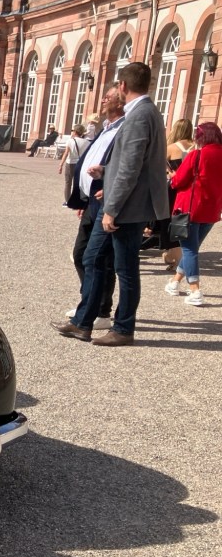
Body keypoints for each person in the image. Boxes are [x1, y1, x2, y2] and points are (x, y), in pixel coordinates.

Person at [51, 62, 169, 346]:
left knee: (123, 267)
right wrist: (105, 171)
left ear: (123, 86)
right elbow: (132, 163)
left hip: (126, 207)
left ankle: (122, 328)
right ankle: (84, 322)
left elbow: (130, 168)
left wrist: (112, 209)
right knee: (95, 258)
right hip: (126, 203)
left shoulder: (139, 115)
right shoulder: (146, 111)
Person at [63, 86, 126, 330]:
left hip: (107, 201)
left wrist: (109, 189)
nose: (102, 100)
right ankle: (88, 303)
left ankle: (100, 311)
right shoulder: (105, 129)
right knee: (80, 254)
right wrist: (83, 198)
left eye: (108, 97)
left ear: (120, 102)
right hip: (91, 201)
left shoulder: (124, 128)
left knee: (101, 259)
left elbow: (127, 167)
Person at [164, 121, 222, 306]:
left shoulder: (197, 155)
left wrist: (172, 177)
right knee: (192, 249)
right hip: (211, 209)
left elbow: (178, 181)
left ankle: (195, 290)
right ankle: (175, 282)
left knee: (189, 250)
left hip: (190, 207)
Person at [150, 118, 195, 270]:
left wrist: (169, 173)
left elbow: (158, 168)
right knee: (184, 223)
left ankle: (176, 259)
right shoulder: (196, 147)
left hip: (173, 189)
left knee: (169, 222)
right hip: (191, 190)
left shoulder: (170, 148)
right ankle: (176, 255)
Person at [58, 124, 90, 205]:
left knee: (68, 183)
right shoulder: (87, 142)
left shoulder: (70, 141)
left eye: (72, 130)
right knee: (78, 183)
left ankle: (67, 201)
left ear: (75, 132)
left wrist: (61, 164)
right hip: (80, 164)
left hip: (70, 163)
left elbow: (66, 153)